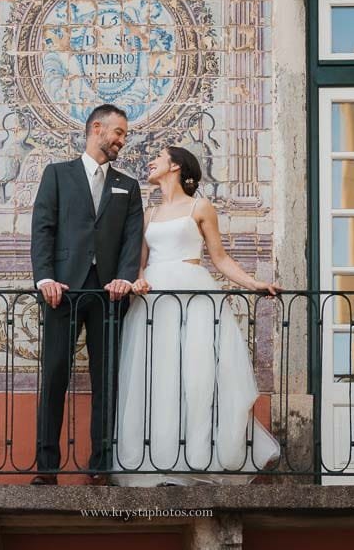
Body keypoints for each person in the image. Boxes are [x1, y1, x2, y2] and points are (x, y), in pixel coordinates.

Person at [113, 146, 281, 486]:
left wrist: (253, 283)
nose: (151, 161)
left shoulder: (199, 207)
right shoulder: (149, 214)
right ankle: (158, 461)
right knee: (157, 377)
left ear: (174, 165)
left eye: (158, 156)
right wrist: (138, 280)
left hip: (194, 294)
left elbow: (219, 258)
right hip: (154, 299)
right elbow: (140, 263)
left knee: (196, 376)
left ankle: (199, 457)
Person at [30, 104, 144, 486]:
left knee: (106, 379)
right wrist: (45, 278)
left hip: (108, 295)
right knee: (55, 376)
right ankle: (46, 468)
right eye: (119, 133)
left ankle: (101, 463)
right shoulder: (58, 175)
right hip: (62, 291)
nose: (122, 141)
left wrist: (125, 279)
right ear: (97, 128)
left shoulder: (128, 187)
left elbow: (132, 240)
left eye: (124, 135)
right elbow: (43, 229)